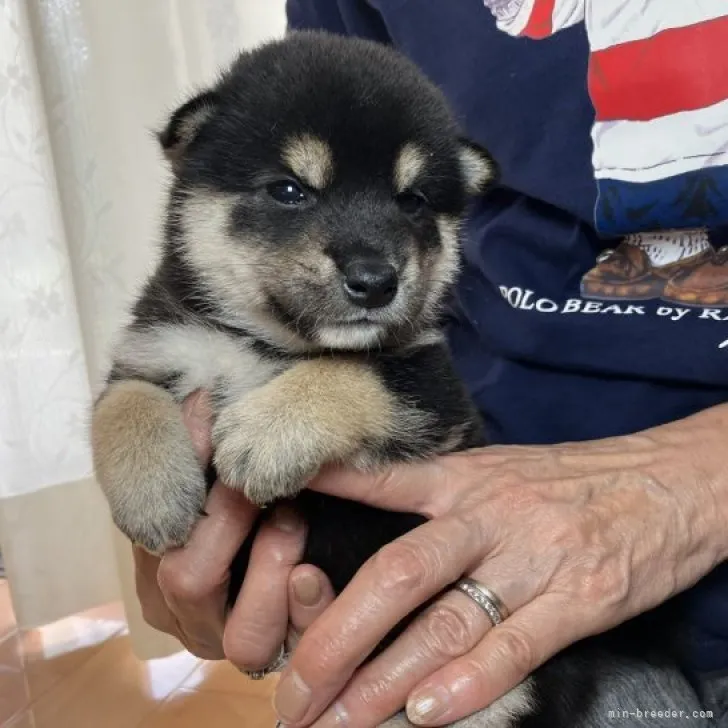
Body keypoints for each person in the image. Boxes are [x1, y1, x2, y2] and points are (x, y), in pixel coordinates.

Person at [135, 1, 728, 726]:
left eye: (414, 201)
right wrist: (167, 513)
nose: (374, 261)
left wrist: (690, 487)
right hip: (480, 557)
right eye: (291, 193)